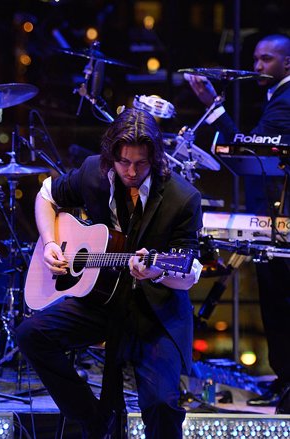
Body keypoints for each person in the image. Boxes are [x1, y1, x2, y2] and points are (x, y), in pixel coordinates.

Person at [16, 108, 203, 439]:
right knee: (31, 334)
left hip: (156, 311)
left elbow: (189, 273)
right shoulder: (93, 171)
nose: (131, 171)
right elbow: (46, 196)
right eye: (124, 162)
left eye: (141, 163)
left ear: (155, 158)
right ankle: (92, 420)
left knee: (161, 404)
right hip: (101, 302)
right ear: (110, 157)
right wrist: (50, 243)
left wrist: (156, 271)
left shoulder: (183, 198)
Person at [186, 33, 290, 411]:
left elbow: (249, 146)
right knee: (274, 303)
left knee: (280, 302)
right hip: (272, 218)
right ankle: (284, 379)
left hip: (280, 220)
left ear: (287, 63)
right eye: (256, 59)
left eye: (266, 59)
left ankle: (287, 382)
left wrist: (212, 106)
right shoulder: (277, 97)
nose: (257, 66)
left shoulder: (286, 102)